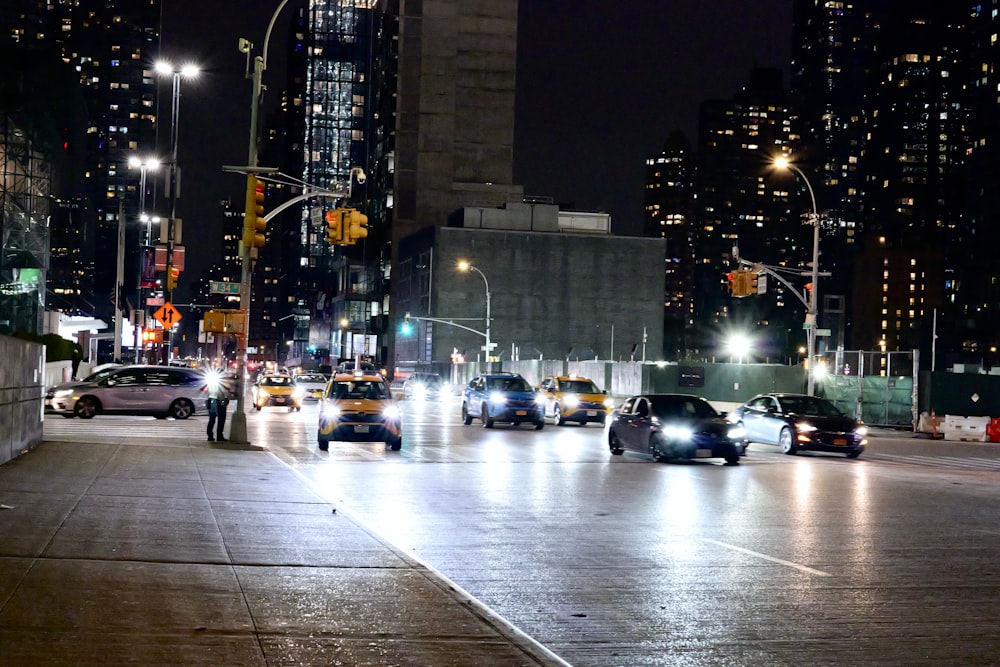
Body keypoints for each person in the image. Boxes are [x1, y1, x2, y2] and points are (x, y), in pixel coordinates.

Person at [206, 373, 232, 442]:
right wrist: (227, 398)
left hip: (211, 400)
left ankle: (210, 436)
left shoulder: (210, 381)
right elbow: (224, 392)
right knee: (221, 420)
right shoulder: (220, 381)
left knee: (211, 420)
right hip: (219, 401)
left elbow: (207, 390)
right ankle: (219, 436)